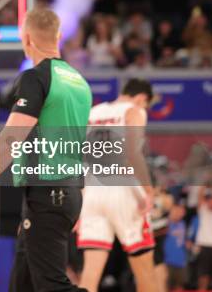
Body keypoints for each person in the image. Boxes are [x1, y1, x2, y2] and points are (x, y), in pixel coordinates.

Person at [0, 7, 92, 291]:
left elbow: (12, 138)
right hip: (65, 195)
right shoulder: (79, 82)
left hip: (49, 194)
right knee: (23, 283)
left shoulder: (36, 78)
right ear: (58, 36)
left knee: (51, 285)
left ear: (26, 38)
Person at [77, 79, 156, 292]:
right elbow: (132, 153)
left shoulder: (93, 112)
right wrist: (149, 192)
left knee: (89, 276)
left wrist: (80, 200)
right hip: (124, 191)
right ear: (142, 98)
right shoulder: (134, 111)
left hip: (93, 193)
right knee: (145, 271)